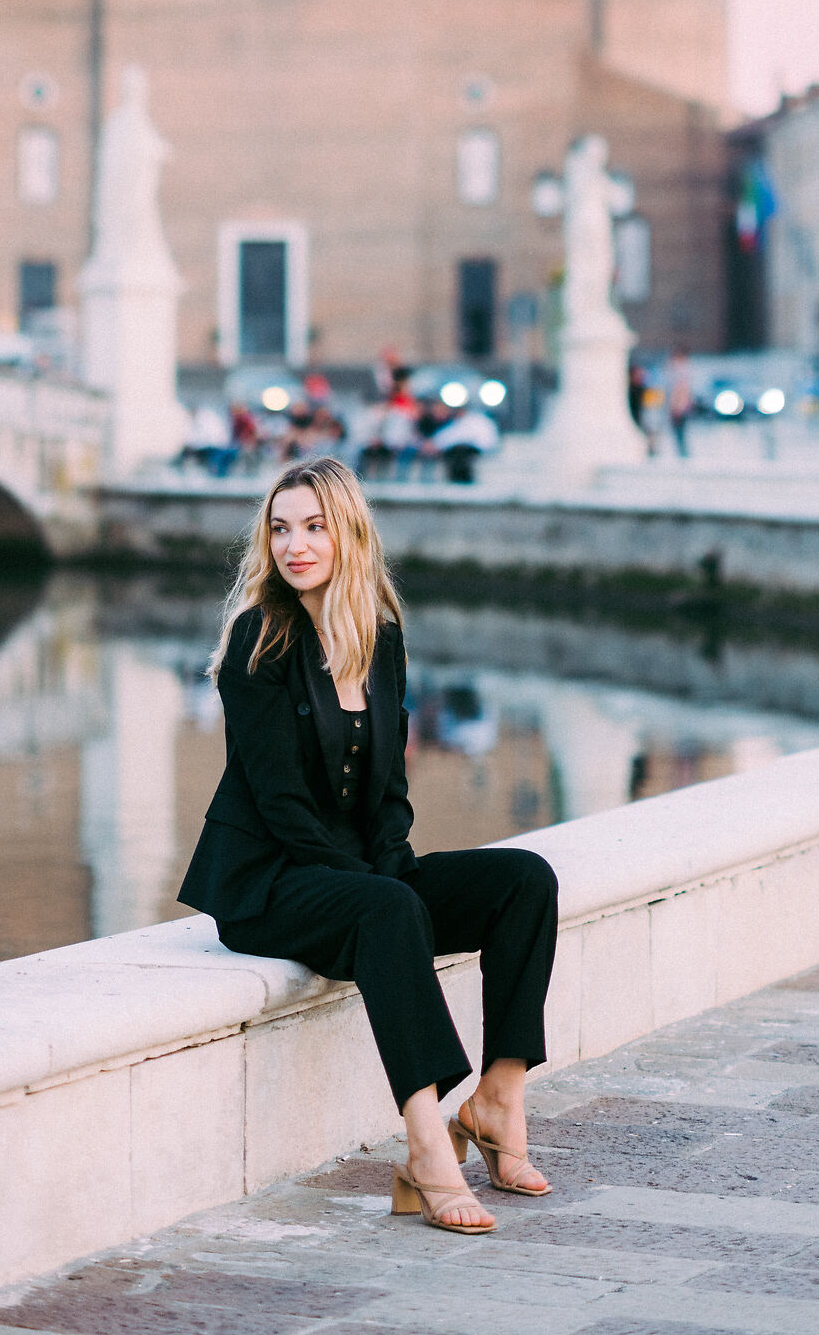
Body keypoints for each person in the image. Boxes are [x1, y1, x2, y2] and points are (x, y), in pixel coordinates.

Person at [180, 457, 559, 1235]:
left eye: (314, 527)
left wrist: (393, 868)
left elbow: (389, 792)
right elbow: (281, 804)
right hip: (271, 882)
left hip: (360, 877)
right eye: (280, 529)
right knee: (389, 908)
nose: (295, 545)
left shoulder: (379, 638)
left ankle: (499, 1100)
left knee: (524, 879)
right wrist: (381, 889)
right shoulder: (260, 637)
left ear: (349, 533)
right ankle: (426, 1149)